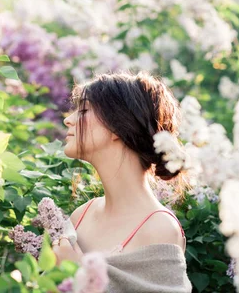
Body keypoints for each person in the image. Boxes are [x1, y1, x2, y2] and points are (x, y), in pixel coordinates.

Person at [52, 71, 192, 293]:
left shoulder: (159, 228)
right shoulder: (82, 215)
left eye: (84, 110)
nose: (68, 119)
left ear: (117, 125)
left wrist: (75, 273)